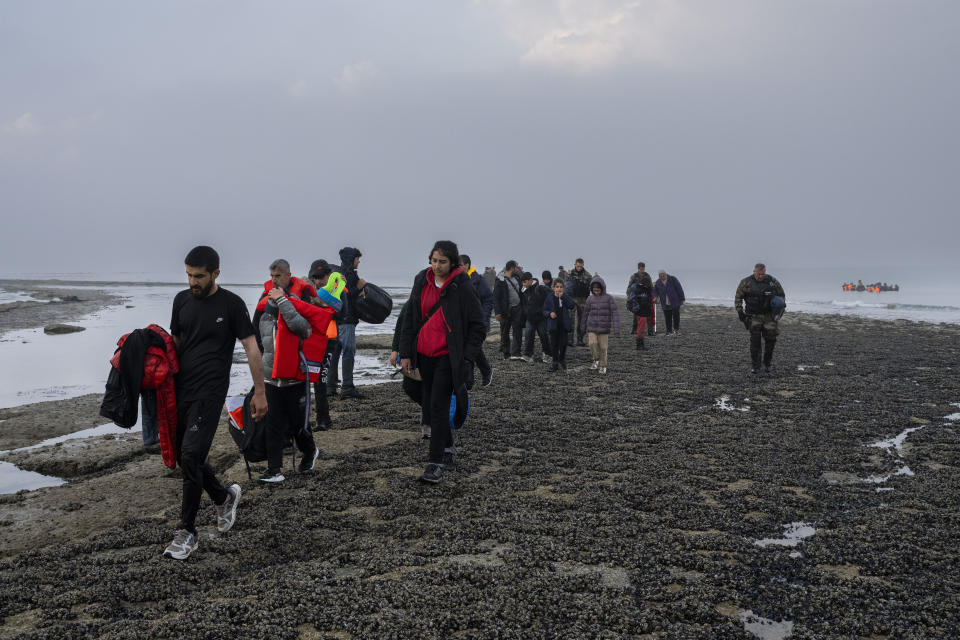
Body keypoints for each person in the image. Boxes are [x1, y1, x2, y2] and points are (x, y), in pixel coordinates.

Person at [163, 246, 267, 560]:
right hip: (182, 391)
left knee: (192, 454)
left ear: (215, 273)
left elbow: (251, 348)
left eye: (199, 276)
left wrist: (260, 392)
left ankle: (187, 532)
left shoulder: (232, 305)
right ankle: (223, 497)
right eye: (189, 275)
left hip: (210, 391)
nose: (193, 281)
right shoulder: (181, 301)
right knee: (186, 458)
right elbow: (176, 345)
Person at [399, 240, 486, 484]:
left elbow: (478, 326)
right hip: (424, 356)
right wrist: (406, 352)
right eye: (434, 260)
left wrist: (467, 357)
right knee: (430, 403)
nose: (437, 266)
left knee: (437, 406)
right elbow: (411, 318)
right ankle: (447, 447)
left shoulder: (462, 287)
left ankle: (434, 464)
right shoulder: (421, 281)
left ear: (453, 262)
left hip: (449, 358)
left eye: (443, 262)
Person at [255, 259, 335, 483]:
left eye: (278, 276)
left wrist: (283, 301)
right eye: (271, 276)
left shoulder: (300, 300)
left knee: (298, 423)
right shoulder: (264, 301)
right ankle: (274, 470)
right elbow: (255, 332)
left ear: (289, 275)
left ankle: (309, 451)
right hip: (271, 375)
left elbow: (304, 329)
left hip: (294, 375)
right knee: (273, 423)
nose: (274, 280)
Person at [327, 247, 366, 399]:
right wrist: (359, 288)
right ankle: (347, 387)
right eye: (357, 258)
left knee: (335, 352)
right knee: (348, 352)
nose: (359, 261)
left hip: (335, 320)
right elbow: (347, 297)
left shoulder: (336, 274)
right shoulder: (349, 276)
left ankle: (330, 387)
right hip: (347, 320)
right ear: (351, 259)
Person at [735, 263, 786, 374]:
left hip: (769, 317)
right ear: (754, 271)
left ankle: (767, 364)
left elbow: (782, 296)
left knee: (771, 341)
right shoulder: (746, 282)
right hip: (753, 317)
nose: (761, 276)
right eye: (759, 274)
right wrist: (740, 311)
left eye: (763, 274)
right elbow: (738, 297)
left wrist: (779, 310)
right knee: (755, 342)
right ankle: (756, 366)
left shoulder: (772, 281)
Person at [459, 254, 494, 387]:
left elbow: (488, 299)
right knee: (473, 349)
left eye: (460, 265)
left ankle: (470, 380)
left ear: (467, 265)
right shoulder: (457, 280)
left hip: (477, 322)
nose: (457, 267)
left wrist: (483, 318)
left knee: (472, 349)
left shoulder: (478, 280)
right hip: (463, 323)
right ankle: (484, 373)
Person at [582, 276, 619, 374]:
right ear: (592, 290)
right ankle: (595, 359)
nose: (596, 292)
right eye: (594, 290)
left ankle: (603, 365)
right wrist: (582, 326)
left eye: (598, 290)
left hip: (604, 328)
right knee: (592, 343)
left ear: (602, 288)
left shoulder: (609, 298)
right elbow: (585, 313)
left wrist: (616, 328)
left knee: (603, 347)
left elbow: (614, 313)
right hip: (592, 326)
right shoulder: (589, 299)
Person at [493, 260, 524, 360]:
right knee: (505, 332)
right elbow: (496, 297)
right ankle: (506, 353)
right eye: (516, 267)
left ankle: (516, 353)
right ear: (512, 268)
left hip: (517, 308)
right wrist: (497, 312)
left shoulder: (517, 278)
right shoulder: (500, 279)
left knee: (518, 331)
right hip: (505, 310)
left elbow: (521, 291)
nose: (518, 268)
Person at [543, 278, 575, 371]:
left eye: (561, 287)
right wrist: (549, 314)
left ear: (564, 288)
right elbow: (544, 310)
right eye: (557, 287)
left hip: (564, 324)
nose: (559, 289)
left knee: (564, 343)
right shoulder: (549, 297)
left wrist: (563, 297)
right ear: (553, 288)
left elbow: (571, 305)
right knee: (554, 344)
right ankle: (555, 362)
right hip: (553, 325)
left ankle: (562, 359)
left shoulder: (565, 296)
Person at [521, 271, 551, 364]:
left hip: (541, 318)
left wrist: (544, 311)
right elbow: (523, 303)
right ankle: (528, 355)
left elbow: (550, 298)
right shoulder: (524, 290)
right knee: (529, 337)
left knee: (544, 336)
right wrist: (526, 313)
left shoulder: (540, 288)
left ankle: (547, 354)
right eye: (522, 282)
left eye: (525, 282)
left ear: (530, 280)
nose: (523, 284)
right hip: (530, 318)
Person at [627, 262, 654, 350]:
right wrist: (630, 297)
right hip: (638, 303)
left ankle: (650, 331)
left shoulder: (647, 276)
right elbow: (630, 287)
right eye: (641, 268)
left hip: (645, 302)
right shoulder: (634, 276)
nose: (642, 270)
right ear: (638, 268)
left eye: (643, 268)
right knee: (637, 318)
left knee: (648, 317)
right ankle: (635, 331)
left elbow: (650, 286)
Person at [566, 258, 592, 346]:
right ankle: (569, 340)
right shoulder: (569, 274)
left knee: (582, 320)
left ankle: (580, 339)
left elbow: (591, 288)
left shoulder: (588, 275)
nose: (579, 268)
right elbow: (565, 286)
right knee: (570, 320)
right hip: (572, 299)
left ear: (583, 265)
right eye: (577, 266)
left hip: (583, 300)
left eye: (580, 266)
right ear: (575, 265)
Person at [653, 270, 685, 336]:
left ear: (666, 274)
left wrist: (682, 298)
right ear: (659, 276)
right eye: (660, 276)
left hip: (675, 301)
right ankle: (669, 331)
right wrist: (655, 297)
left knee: (676, 316)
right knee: (667, 317)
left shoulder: (673, 279)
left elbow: (679, 288)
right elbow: (655, 291)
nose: (662, 277)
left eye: (663, 275)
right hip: (665, 302)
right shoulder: (658, 282)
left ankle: (676, 330)